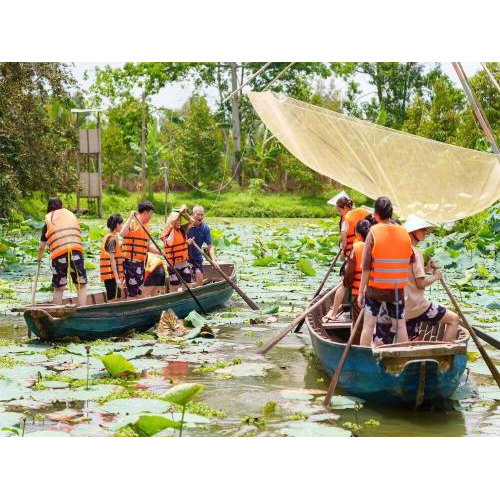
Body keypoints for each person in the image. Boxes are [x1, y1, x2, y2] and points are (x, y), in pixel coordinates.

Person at [357, 197, 414, 347]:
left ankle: (365, 358)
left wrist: (361, 290)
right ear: (391, 214)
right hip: (396, 290)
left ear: (376, 215)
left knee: (368, 326)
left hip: (376, 289)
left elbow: (366, 266)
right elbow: (410, 260)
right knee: (400, 326)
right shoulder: (404, 233)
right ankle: (404, 358)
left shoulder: (373, 232)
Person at [403, 214, 458, 342]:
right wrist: (435, 277)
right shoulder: (416, 253)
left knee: (414, 338)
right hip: (416, 306)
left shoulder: (401, 251)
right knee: (454, 319)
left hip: (402, 307)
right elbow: (420, 284)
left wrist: (426, 269)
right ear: (413, 232)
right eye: (422, 230)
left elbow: (411, 276)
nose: (425, 232)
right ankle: (445, 354)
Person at [37, 197, 88, 307]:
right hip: (76, 253)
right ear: (62, 206)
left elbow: (41, 246)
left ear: (49, 208)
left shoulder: (48, 221)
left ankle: (56, 312)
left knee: (59, 288)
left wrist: (39, 258)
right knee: (81, 285)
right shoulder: (70, 216)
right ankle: (82, 309)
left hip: (59, 255)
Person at [324, 219, 371, 324]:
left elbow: (349, 272)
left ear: (357, 234)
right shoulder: (376, 245)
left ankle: (334, 313)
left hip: (358, 293)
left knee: (343, 286)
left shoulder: (357, 247)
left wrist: (346, 282)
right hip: (375, 292)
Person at [120, 201, 160, 298]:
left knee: (139, 291)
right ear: (145, 213)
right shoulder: (133, 222)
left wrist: (159, 252)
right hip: (130, 262)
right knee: (132, 291)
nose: (151, 217)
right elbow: (122, 233)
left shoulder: (147, 226)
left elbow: (148, 247)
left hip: (141, 263)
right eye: (150, 214)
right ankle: (131, 309)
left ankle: (137, 308)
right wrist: (130, 217)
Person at [160, 209, 194, 293]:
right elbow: (170, 243)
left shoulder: (182, 229)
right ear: (172, 222)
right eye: (177, 220)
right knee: (174, 288)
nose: (179, 222)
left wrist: (184, 213)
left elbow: (192, 221)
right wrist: (171, 227)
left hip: (184, 263)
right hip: (173, 265)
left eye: (180, 220)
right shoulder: (166, 233)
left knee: (188, 286)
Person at [186, 205, 219, 287]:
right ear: (193, 214)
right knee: (187, 281)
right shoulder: (187, 226)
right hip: (185, 257)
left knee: (200, 278)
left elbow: (210, 245)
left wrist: (213, 260)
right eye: (198, 214)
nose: (200, 217)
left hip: (197, 257)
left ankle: (199, 296)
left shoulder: (205, 228)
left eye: (202, 215)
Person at [100, 214, 124, 301]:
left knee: (117, 298)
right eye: (121, 224)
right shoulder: (111, 239)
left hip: (113, 275)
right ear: (117, 225)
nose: (122, 226)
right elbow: (112, 259)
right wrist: (117, 278)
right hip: (111, 276)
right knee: (113, 299)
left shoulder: (112, 237)